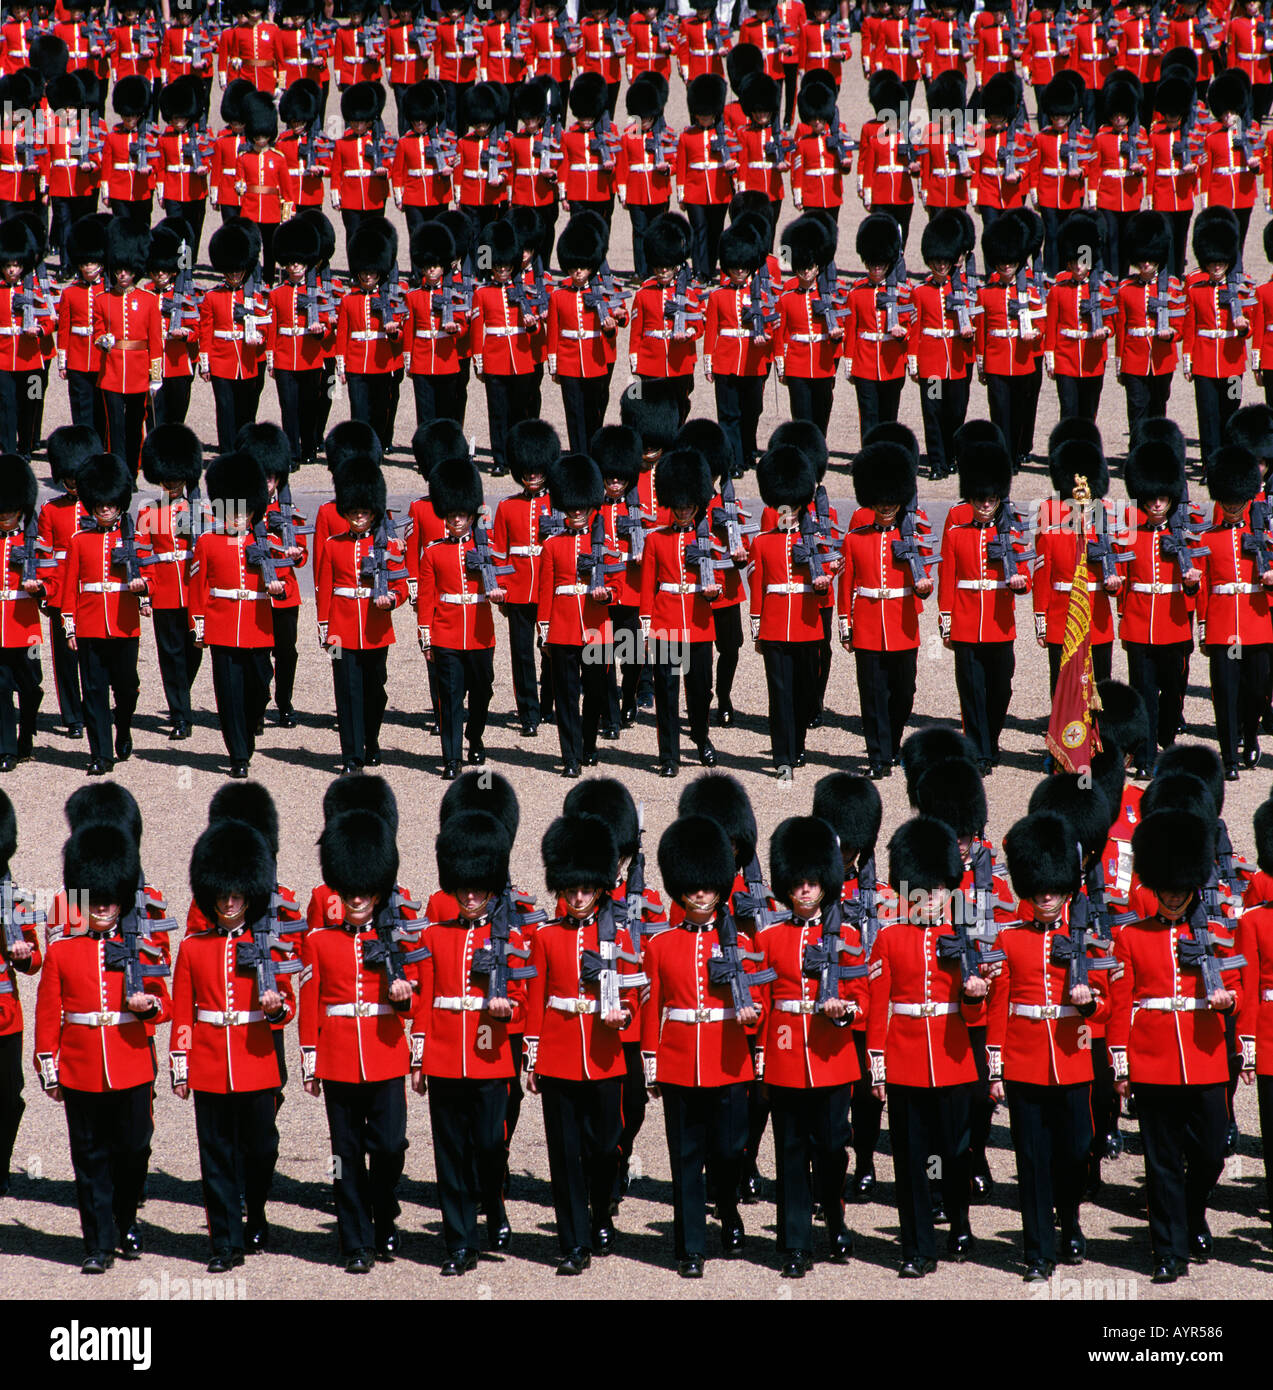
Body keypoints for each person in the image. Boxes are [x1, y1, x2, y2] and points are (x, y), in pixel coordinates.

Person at [1109, 809, 1243, 1283]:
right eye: (1165, 888)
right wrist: (1121, 1066)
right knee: (1161, 1160)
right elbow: (1121, 1004)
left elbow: (1238, 985)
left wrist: (1229, 1000)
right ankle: (1167, 1249)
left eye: (1178, 888)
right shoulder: (1131, 936)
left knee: (1210, 1152)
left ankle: (1189, 1213)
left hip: (1205, 1058)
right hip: (1152, 1061)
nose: (1171, 896)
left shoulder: (1215, 934)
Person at [35, 823, 170, 1273]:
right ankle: (97, 1242)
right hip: (80, 1066)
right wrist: (49, 1068)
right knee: (89, 1157)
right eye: (95, 897)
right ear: (83, 899)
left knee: (134, 1149)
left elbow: (165, 1006)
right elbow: (47, 1013)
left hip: (131, 1061)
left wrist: (146, 1006)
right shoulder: (63, 952)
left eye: (112, 896)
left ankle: (126, 1220)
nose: (105, 905)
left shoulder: (139, 947)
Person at [175, 820, 299, 1273]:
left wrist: (273, 1008)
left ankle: (258, 1209)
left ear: (249, 896)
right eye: (223, 897)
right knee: (216, 1155)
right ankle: (224, 1242)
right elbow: (185, 1011)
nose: (229, 904)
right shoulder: (193, 948)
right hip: (209, 1063)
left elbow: (289, 1011)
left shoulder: (268, 944)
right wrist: (181, 1063)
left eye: (237, 896)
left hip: (256, 1060)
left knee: (262, 1146)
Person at [303, 809, 423, 1274]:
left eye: (364, 890)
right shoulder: (319, 941)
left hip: (386, 1052)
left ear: (377, 890)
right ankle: (354, 1239)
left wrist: (403, 997)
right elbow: (311, 1000)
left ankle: (385, 1212)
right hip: (336, 1058)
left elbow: (417, 1000)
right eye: (349, 890)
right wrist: (311, 1060)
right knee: (345, 1154)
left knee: (390, 1146)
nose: (356, 898)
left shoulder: (394, 938)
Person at [994, 810, 1112, 1281]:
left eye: (1053, 888)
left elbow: (1105, 1008)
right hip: (1024, 1062)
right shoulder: (1009, 939)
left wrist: (1088, 1006)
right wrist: (995, 1066)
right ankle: (1038, 1251)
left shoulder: (1086, 940)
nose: (1045, 896)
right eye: (1038, 888)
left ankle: (1071, 1218)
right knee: (1031, 1158)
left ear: (1065, 887)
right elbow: (1000, 1007)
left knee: (1075, 1149)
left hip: (1073, 1058)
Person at [643, 814, 761, 1278]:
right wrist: (651, 1062)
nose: (699, 893)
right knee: (686, 1158)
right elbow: (653, 1007)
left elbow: (762, 999)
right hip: (678, 1062)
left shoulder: (743, 943)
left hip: (728, 1058)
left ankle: (728, 1209)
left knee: (731, 1150)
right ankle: (690, 1246)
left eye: (707, 886)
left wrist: (755, 1021)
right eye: (691, 886)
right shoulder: (661, 945)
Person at [526, 814, 642, 1274]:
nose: (577, 897)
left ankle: (599, 1212)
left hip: (604, 1054)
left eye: (585, 889)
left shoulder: (618, 934)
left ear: (598, 887)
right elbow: (536, 998)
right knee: (564, 1153)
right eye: (571, 889)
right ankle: (573, 1241)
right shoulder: (545, 936)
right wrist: (532, 1055)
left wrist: (622, 1014)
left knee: (603, 1148)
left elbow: (633, 992)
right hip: (557, 1055)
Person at [871, 815, 985, 1277]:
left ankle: (958, 1223)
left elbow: (975, 1014)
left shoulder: (961, 937)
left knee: (956, 1153)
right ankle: (917, 1247)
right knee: (911, 1160)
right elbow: (880, 1005)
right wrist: (877, 1063)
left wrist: (975, 995)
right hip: (903, 1061)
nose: (932, 897)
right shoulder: (889, 936)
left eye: (940, 888)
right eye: (924, 888)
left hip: (953, 1056)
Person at [418, 810, 530, 1274]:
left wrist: (511, 1011)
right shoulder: (434, 935)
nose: (469, 895)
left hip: (490, 1057)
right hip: (445, 1057)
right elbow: (425, 999)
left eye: (478, 888)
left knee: (488, 1144)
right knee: (451, 1153)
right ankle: (460, 1243)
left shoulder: (511, 937)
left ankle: (493, 1199)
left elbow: (524, 996)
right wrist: (419, 1056)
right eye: (463, 888)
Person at [758, 815, 868, 1277]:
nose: (805, 890)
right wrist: (760, 1056)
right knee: (789, 1150)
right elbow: (762, 1003)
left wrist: (845, 1010)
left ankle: (836, 1217)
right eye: (798, 883)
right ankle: (796, 1243)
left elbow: (863, 999)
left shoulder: (847, 937)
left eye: (813, 882)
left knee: (831, 1148)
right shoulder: (767, 939)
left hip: (832, 1056)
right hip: (786, 1056)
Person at [937, 439, 1032, 773]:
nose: (986, 505)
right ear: (972, 499)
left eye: (991, 499)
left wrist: (1020, 583)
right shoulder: (957, 533)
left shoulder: (1013, 532)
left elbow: (1024, 572)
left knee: (1001, 687)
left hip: (999, 622)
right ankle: (978, 751)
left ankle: (991, 740)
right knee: (972, 690)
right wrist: (946, 619)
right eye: (980, 499)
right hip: (965, 622)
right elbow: (947, 577)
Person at [840, 440, 933, 778]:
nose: (886, 507)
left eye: (892, 501)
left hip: (902, 623)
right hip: (866, 624)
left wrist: (924, 588)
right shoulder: (855, 538)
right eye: (881, 501)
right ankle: (877, 755)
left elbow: (924, 577)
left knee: (904, 691)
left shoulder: (914, 535)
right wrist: (845, 624)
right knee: (872, 695)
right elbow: (846, 585)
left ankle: (893, 744)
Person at [188, 450, 280, 778]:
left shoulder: (264, 542)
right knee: (228, 693)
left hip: (257, 624)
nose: (239, 518)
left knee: (260, 686)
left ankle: (254, 719)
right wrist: (199, 625)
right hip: (223, 625)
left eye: (245, 511)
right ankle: (238, 755)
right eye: (234, 511)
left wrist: (278, 587)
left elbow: (285, 573)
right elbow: (198, 585)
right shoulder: (208, 543)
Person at [316, 457, 409, 774]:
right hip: (340, 628)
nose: (358, 517)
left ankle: (370, 739)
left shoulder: (387, 545)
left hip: (375, 626)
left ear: (373, 512)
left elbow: (401, 585)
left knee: (374, 689)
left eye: (364, 512)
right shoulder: (333, 545)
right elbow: (325, 586)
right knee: (346, 690)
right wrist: (324, 627)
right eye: (354, 512)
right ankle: (351, 756)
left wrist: (392, 600)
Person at [417, 452, 502, 779]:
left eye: (461, 515)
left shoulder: (486, 547)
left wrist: (499, 591)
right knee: (450, 695)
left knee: (483, 690)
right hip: (446, 633)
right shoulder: (434, 551)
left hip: (480, 632)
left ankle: (475, 736)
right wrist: (426, 635)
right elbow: (427, 595)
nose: (456, 520)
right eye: (450, 514)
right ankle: (451, 759)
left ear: (471, 515)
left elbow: (504, 578)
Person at [62, 453, 148, 776]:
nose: (105, 510)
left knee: (126, 687)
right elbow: (71, 586)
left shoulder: (134, 538)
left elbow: (149, 574)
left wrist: (143, 587)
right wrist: (70, 626)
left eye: (110, 504)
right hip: (89, 625)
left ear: (119, 503)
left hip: (124, 625)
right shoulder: (79, 540)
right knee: (93, 691)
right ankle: (101, 753)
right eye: (100, 505)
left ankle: (122, 726)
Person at [1117, 438, 1197, 777]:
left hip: (1173, 620)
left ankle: (1165, 733)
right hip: (1138, 622)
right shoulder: (1130, 534)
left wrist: (1192, 582)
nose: (1157, 505)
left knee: (1173, 688)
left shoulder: (1188, 536)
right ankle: (1146, 758)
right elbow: (1122, 577)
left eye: (1163, 499)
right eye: (1151, 499)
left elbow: (1199, 579)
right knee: (1143, 691)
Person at [639, 445, 720, 776]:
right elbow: (647, 586)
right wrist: (645, 627)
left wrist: (715, 593)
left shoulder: (708, 538)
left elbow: (722, 578)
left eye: (689, 506)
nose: (684, 511)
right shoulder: (656, 540)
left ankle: (701, 738)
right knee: (667, 692)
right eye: (679, 506)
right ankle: (668, 756)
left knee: (700, 691)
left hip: (699, 621)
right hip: (666, 621)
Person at [750, 443, 829, 776]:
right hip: (774, 625)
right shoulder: (763, 541)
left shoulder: (816, 540)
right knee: (779, 694)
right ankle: (783, 757)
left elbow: (829, 570)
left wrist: (828, 575)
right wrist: (756, 626)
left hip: (807, 623)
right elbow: (758, 588)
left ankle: (798, 745)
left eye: (793, 506)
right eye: (783, 505)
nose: (788, 511)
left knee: (804, 693)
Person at [1197, 444, 1273, 779]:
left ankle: (1251, 735)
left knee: (1257, 689)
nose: (1230, 507)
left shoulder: (1264, 537)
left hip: (1257, 620)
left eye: (1236, 501)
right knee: (1225, 692)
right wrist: (1202, 625)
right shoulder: (1208, 539)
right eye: (1225, 501)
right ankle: (1229, 757)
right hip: (1224, 622)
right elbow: (1202, 586)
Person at [537, 452, 614, 777]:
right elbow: (546, 590)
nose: (577, 512)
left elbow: (617, 580)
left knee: (595, 692)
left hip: (596, 625)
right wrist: (544, 629)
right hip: (563, 627)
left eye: (581, 506)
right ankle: (570, 756)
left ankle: (588, 743)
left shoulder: (604, 541)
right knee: (566, 696)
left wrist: (608, 593)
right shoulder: (553, 545)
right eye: (572, 507)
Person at [135, 424, 204, 741]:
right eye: (167, 477)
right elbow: (141, 555)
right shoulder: (148, 511)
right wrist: (144, 594)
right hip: (163, 590)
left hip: (194, 591)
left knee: (193, 652)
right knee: (170, 654)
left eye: (177, 477)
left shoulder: (201, 508)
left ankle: (181, 698)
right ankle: (180, 715)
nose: (172, 483)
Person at [491, 418, 559, 739]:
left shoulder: (558, 503)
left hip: (551, 587)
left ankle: (548, 705)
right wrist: (501, 588)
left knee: (552, 649)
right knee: (521, 655)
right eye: (527, 471)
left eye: (537, 469)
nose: (532, 476)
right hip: (517, 588)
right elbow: (499, 552)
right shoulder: (506, 506)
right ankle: (528, 713)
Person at [549, 212, 627, 454]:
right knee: (573, 411)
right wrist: (554, 364)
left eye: (583, 267)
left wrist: (613, 326)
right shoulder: (559, 295)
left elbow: (619, 317)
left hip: (596, 358)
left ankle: (593, 452)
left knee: (594, 409)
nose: (578, 272)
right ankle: (578, 454)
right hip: (569, 360)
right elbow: (553, 331)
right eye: (573, 268)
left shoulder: (604, 291)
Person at [93, 219, 163, 477]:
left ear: (135, 270)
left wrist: (155, 376)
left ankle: (132, 471)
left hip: (138, 371)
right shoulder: (102, 300)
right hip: (111, 372)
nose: (122, 275)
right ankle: (118, 471)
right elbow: (98, 330)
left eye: (127, 270)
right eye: (118, 270)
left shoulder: (148, 301)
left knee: (135, 425)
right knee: (115, 426)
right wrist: (102, 340)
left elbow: (155, 341)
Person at [38, 425, 94, 740]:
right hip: (61, 592)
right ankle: (72, 715)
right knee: (65, 661)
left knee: (92, 656)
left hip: (91, 592)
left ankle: (92, 707)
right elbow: (44, 555)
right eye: (69, 478)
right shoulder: (51, 509)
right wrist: (46, 591)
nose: (73, 483)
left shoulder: (99, 507)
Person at [1184, 206, 1252, 462]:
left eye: (1221, 263)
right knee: (1208, 414)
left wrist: (1244, 326)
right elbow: (1190, 327)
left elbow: (1251, 323)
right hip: (1203, 362)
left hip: (1233, 362)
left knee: (1231, 410)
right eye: (1212, 263)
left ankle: (1228, 458)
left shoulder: (1241, 289)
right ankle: (1210, 462)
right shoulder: (1196, 290)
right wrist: (1188, 359)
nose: (1216, 267)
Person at [335, 216, 406, 457]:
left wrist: (394, 333)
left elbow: (401, 336)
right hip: (356, 362)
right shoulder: (348, 300)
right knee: (359, 410)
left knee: (379, 409)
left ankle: (376, 447)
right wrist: (341, 364)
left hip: (381, 361)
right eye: (364, 273)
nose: (367, 277)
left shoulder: (391, 299)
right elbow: (343, 333)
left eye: (372, 273)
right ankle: (360, 449)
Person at [199, 220, 268, 455]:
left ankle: (245, 451)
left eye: (238, 270)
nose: (235, 275)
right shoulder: (212, 297)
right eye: (231, 271)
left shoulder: (255, 297)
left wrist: (259, 337)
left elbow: (265, 325)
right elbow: (206, 331)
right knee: (225, 409)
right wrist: (205, 362)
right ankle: (227, 453)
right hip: (221, 360)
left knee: (246, 410)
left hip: (247, 360)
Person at [0, 791, 38, 1195]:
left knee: (9, 1098)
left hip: (4, 1013)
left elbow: (36, 956)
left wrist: (23, 955)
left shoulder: (10, 896)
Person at [1116, 210, 1183, 439]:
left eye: (1150, 259)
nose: (1145, 264)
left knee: (1158, 409)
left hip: (1161, 358)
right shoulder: (1125, 289)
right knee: (1136, 409)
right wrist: (1120, 364)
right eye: (1142, 259)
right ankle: (1137, 454)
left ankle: (1157, 454)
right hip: (1134, 358)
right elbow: (1122, 329)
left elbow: (1180, 326)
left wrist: (1170, 335)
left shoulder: (1172, 287)